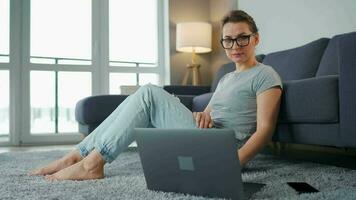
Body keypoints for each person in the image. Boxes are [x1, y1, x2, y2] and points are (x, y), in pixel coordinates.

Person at [29, 10, 282, 181]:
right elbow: (207, 114)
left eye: (242, 39)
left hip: (226, 149)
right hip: (208, 135)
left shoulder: (265, 75)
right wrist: (201, 116)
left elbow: (265, 129)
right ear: (223, 44)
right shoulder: (226, 76)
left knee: (149, 93)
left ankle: (91, 163)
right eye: (228, 40)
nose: (235, 46)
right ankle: (77, 155)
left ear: (255, 39)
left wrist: (234, 163)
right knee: (137, 99)